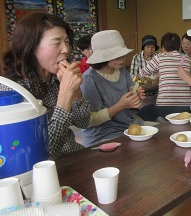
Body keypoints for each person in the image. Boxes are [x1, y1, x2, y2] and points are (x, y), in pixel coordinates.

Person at [0, 12, 90, 159]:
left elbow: (83, 122)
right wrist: (65, 94)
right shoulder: (12, 90)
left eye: (67, 42)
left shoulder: (56, 77)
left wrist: (75, 89)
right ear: (31, 46)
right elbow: (44, 156)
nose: (66, 49)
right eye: (56, 43)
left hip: (74, 157)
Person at [81, 30, 144, 147]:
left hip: (126, 127)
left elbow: (130, 105)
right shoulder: (89, 79)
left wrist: (135, 96)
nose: (122, 58)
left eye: (122, 53)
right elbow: (88, 120)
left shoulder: (122, 70)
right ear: (102, 56)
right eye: (115, 55)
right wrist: (121, 105)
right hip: (102, 135)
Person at [137, 32, 191, 121]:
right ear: (179, 46)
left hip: (164, 107)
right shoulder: (187, 59)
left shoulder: (160, 57)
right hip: (186, 107)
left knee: (142, 112)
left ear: (163, 47)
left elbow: (143, 73)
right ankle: (166, 120)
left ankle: (161, 121)